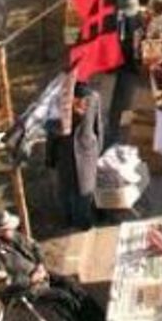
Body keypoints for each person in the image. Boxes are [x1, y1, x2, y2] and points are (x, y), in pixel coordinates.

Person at [0, 208, 105, 321]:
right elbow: (3, 284)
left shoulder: (12, 237)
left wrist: (40, 264)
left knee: (70, 283)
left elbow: (34, 246)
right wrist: (31, 280)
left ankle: (100, 318)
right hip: (24, 289)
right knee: (64, 297)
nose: (13, 229)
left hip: (38, 273)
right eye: (9, 228)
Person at [50, 74, 104, 229]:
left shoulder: (60, 99)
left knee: (67, 188)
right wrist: (98, 149)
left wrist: (51, 156)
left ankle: (69, 219)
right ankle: (82, 221)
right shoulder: (93, 97)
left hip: (65, 149)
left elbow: (52, 132)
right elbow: (97, 126)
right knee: (83, 189)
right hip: (86, 149)